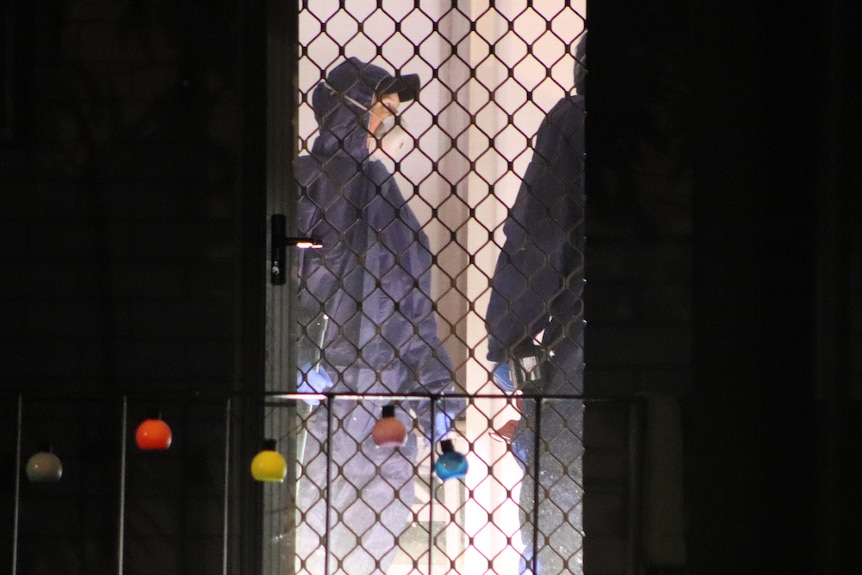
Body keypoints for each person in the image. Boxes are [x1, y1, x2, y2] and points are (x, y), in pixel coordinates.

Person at [287, 57, 461, 575]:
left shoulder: (298, 182)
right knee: (367, 536)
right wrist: (436, 399)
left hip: (313, 391)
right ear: (357, 114)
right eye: (381, 114)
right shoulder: (371, 189)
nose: (386, 127)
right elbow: (409, 300)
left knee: (317, 528)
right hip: (375, 392)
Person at [485, 33, 587, 575]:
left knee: (561, 505)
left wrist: (511, 344)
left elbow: (537, 236)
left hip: (580, 354)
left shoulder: (574, 120)